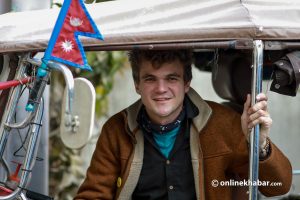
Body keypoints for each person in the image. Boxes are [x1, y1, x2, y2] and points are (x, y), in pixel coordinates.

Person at [74, 49, 292, 200]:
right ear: (137, 84)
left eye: (171, 78)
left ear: (186, 83)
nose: (161, 89)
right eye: (150, 78)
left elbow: (278, 186)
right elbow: (93, 195)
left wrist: (260, 144)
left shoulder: (225, 123)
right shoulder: (116, 129)